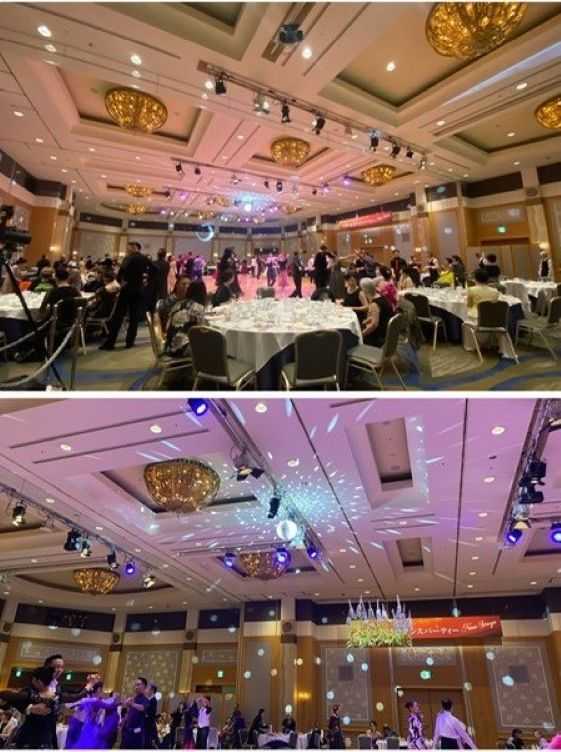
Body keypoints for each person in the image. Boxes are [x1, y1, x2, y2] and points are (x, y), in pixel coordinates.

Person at [100, 241, 156, 350]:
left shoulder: (129, 258)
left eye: (129, 247)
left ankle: (110, 343)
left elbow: (121, 272)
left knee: (118, 316)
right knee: (134, 317)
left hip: (126, 289)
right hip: (138, 290)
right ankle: (130, 342)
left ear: (135, 247)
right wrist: (146, 280)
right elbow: (155, 270)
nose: (128, 249)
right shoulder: (144, 258)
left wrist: (119, 283)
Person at [0, 666, 57, 749]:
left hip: (39, 738)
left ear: (37, 680)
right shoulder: (30, 692)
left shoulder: (53, 695)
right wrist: (29, 708)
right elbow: (6, 697)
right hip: (31, 737)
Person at [164, 280, 207, 357]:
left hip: (168, 346)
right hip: (181, 349)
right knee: (213, 342)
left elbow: (167, 326)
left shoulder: (178, 304)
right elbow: (202, 329)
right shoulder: (198, 307)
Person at [360, 277, 393, 348]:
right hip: (387, 330)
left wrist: (361, 334)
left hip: (380, 336)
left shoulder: (374, 304)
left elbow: (374, 325)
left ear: (365, 290)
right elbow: (380, 315)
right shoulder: (381, 297)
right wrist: (367, 320)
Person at [120, 677, 149, 749]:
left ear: (144, 686)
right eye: (135, 685)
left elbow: (142, 708)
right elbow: (129, 712)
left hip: (136, 733)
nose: (136, 687)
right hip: (127, 731)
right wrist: (123, 721)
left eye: (138, 684)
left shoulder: (145, 699)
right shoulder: (134, 698)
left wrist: (132, 704)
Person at [145, 683, 159, 749]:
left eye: (148, 689)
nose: (146, 690)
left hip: (148, 725)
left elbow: (151, 713)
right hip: (146, 725)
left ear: (152, 690)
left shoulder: (153, 700)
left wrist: (145, 714)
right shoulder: (148, 699)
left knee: (147, 743)